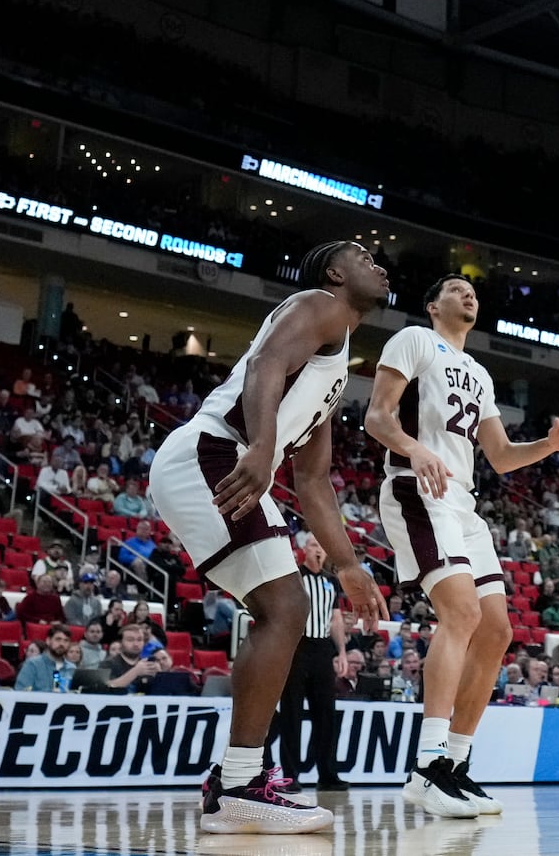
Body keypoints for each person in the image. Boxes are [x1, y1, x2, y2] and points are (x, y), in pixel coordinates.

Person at [147, 241, 390, 833]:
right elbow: (261, 368)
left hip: (222, 455)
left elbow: (312, 479)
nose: (379, 263)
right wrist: (259, 447)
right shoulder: (318, 305)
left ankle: (235, 785)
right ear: (335, 273)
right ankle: (239, 782)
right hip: (214, 450)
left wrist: (349, 565)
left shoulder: (334, 359)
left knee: (283, 607)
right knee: (284, 606)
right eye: (362, 256)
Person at [366, 272, 559, 818]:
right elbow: (378, 416)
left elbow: (501, 457)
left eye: (473, 289)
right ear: (431, 304)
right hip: (417, 487)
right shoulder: (414, 340)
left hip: (463, 502)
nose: (468, 292)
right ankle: (427, 765)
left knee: (498, 629)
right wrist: (413, 450)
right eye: (453, 287)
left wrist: (550, 444)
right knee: (462, 614)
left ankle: (457, 764)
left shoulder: (479, 373)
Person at [275, 535, 348, 793]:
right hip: (297, 647)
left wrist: (341, 652)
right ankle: (290, 775)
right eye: (313, 545)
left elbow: (336, 620)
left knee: (326, 714)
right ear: (303, 550)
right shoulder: (295, 578)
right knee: (292, 713)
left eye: (321, 546)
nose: (318, 550)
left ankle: (327, 773)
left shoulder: (331, 582)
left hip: (322, 649)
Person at [15, 623, 77, 692]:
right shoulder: (32, 664)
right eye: (58, 639)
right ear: (48, 641)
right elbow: (21, 691)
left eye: (66, 640)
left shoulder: (71, 668)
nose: (62, 644)